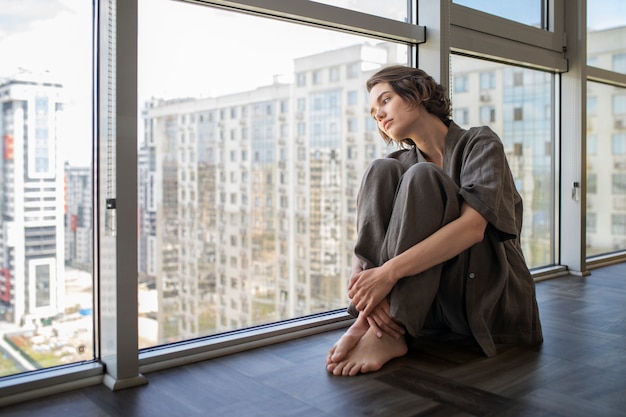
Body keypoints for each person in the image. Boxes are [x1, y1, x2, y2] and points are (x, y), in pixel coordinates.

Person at [326, 65, 543, 377]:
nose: (379, 115)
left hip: (484, 291)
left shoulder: (479, 143)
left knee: (423, 175)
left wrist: (387, 274)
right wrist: (366, 300)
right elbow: (369, 236)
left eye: (385, 100)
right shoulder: (396, 165)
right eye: (374, 112)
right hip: (433, 303)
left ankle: (390, 331)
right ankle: (373, 324)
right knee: (380, 169)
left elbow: (473, 228)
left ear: (417, 92)